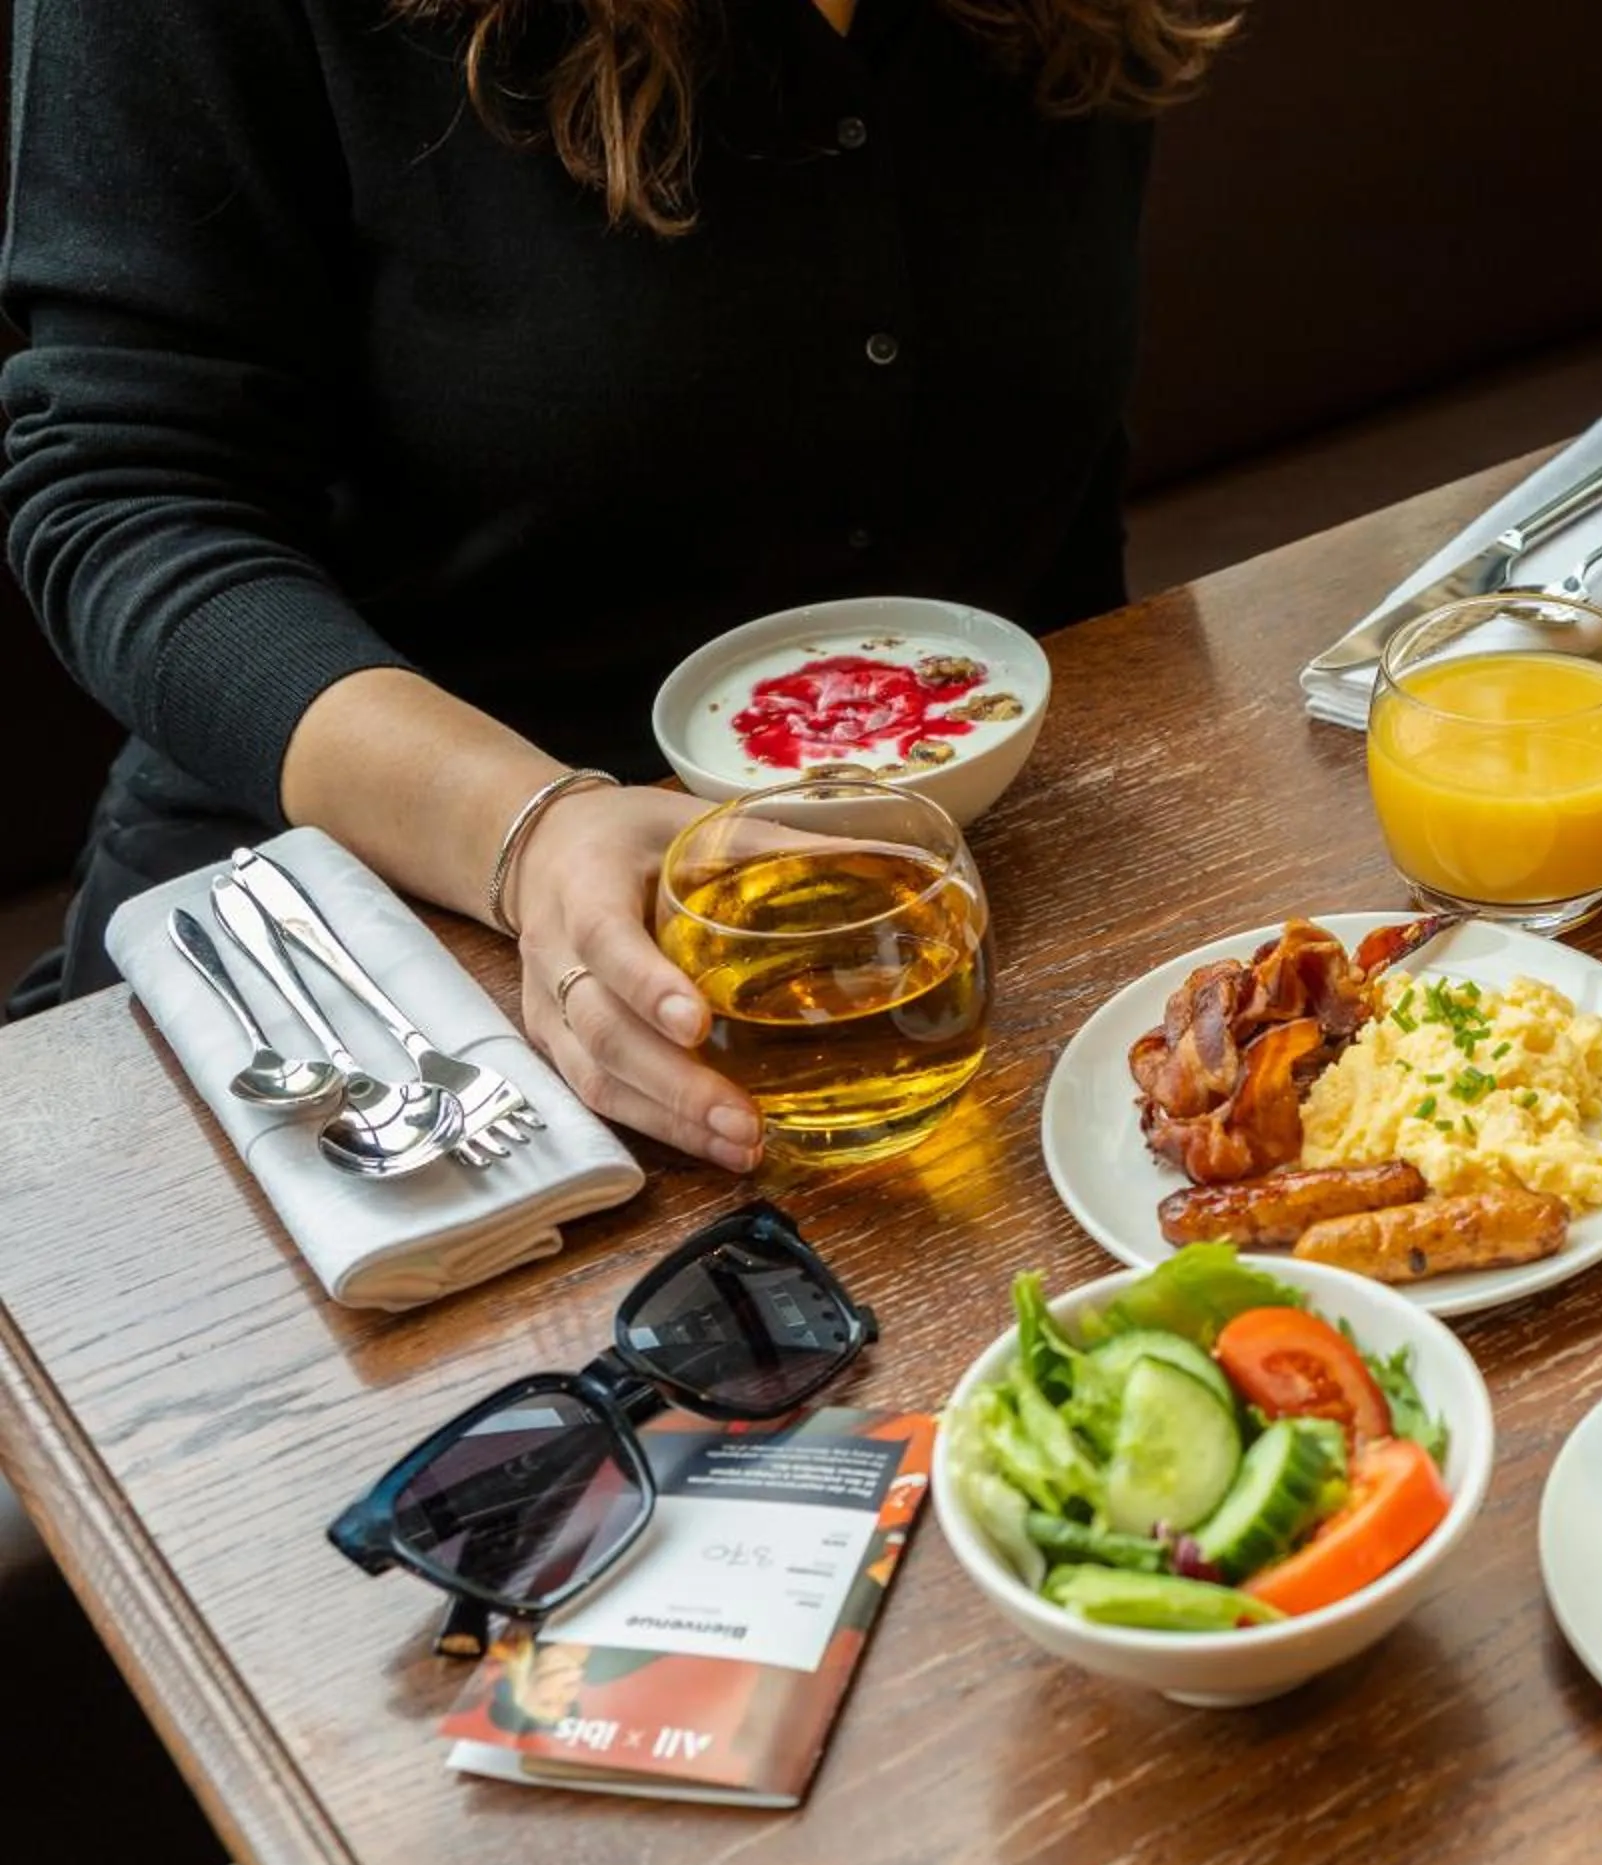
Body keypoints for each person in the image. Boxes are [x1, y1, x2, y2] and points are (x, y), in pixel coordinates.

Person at [2, 0, 1238, 1170]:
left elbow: (1054, 490)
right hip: (360, 994)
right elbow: (127, 501)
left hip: (947, 959)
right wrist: (523, 831)